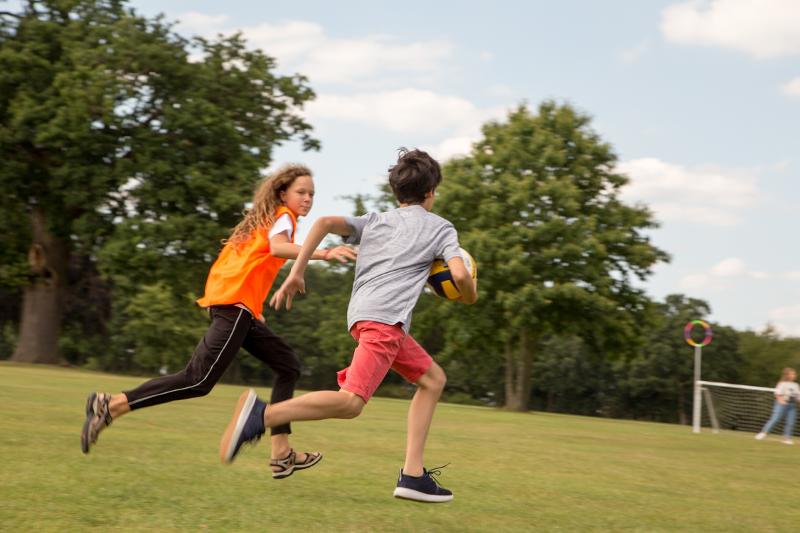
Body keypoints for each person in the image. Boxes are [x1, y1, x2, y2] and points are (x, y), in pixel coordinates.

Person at [218, 148, 478, 503]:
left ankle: (413, 475)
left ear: (397, 192)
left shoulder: (376, 220)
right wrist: (469, 294)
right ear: (432, 191)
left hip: (370, 318)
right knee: (351, 403)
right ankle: (262, 416)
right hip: (385, 322)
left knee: (433, 380)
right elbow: (460, 273)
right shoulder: (441, 228)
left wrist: (296, 272)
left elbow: (324, 223)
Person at [81, 164, 357, 479]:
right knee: (197, 380)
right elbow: (278, 247)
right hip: (234, 308)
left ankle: (282, 453)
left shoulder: (264, 220)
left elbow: (244, 263)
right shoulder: (283, 217)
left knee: (288, 365)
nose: (307, 199)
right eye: (301, 192)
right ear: (283, 193)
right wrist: (324, 253)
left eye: (311, 194)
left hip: (239, 308)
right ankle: (111, 405)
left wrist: (252, 305)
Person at [755, 367, 798, 445]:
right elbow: (777, 394)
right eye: (792, 374)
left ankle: (787, 438)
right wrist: (781, 401)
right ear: (788, 375)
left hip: (792, 406)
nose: (794, 375)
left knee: (790, 422)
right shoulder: (782, 383)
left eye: (794, 374)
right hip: (781, 404)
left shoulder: (796, 385)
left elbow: (798, 397)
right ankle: (763, 433)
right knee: (775, 419)